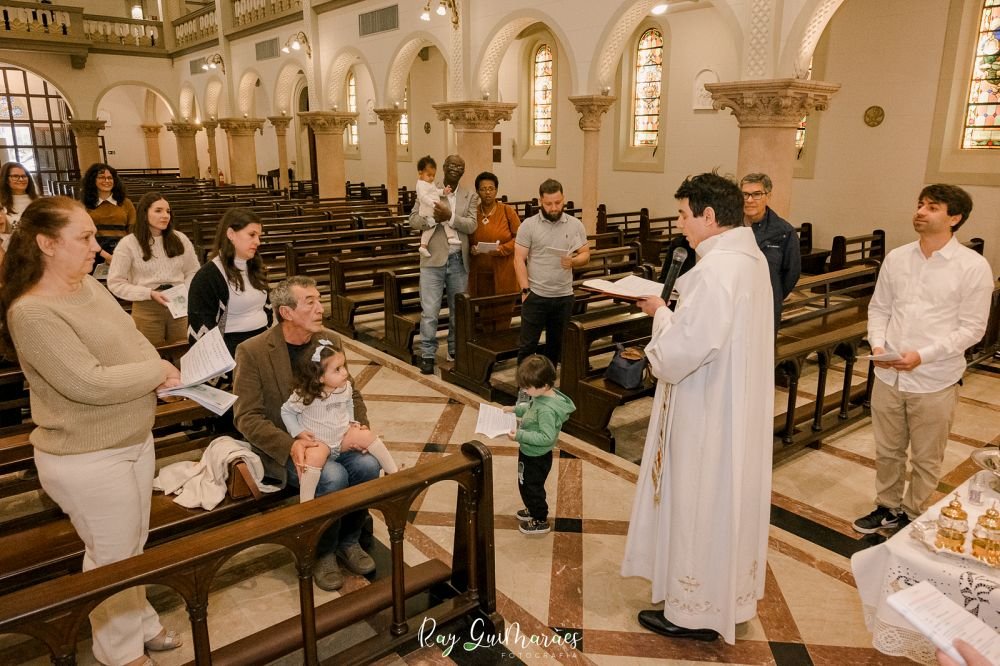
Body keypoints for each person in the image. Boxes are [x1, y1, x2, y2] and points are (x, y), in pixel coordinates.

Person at [0, 197, 183, 666]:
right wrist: (156, 372)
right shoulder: (32, 312)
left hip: (132, 438)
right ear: (46, 244)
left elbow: (132, 337)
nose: (95, 246)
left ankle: (139, 622)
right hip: (86, 454)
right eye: (83, 237)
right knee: (112, 558)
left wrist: (159, 374)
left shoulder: (87, 287)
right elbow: (87, 382)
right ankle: (119, 654)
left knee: (131, 546)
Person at [621, 172, 774, 645]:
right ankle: (725, 598)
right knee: (725, 502)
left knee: (699, 500)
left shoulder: (715, 272)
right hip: (734, 406)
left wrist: (660, 314)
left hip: (707, 411)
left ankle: (692, 611)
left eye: (684, 215)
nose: (680, 225)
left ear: (709, 216)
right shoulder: (750, 261)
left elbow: (681, 353)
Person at [853, 184, 993, 534]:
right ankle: (887, 506)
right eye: (920, 204)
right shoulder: (898, 258)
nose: (920, 211)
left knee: (927, 457)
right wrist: (879, 345)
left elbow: (972, 329)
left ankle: (913, 513)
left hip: (935, 379)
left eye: (932, 207)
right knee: (888, 450)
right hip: (889, 375)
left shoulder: (972, 267)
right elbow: (879, 308)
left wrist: (922, 356)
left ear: (954, 217)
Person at [234, 276, 380, 591]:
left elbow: (351, 392)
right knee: (332, 477)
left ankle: (349, 540)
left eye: (319, 299)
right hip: (289, 446)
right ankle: (321, 551)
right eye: (309, 302)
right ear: (286, 312)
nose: (320, 308)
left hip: (336, 437)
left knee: (368, 465)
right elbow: (246, 416)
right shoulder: (253, 351)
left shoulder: (328, 340)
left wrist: (358, 425)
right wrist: (290, 444)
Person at [282, 337, 398, 503]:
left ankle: (394, 476)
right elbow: (286, 411)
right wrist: (298, 432)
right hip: (319, 442)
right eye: (337, 369)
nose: (345, 372)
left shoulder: (345, 387)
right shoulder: (305, 394)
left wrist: (351, 421)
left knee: (367, 436)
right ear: (320, 377)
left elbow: (349, 402)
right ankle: (306, 502)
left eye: (343, 366)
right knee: (313, 458)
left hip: (342, 437)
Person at [407, 154, 477, 375]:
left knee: (458, 311)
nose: (455, 168)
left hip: (458, 262)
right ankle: (428, 354)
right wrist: (432, 220)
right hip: (432, 261)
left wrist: (450, 217)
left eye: (460, 166)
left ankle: (454, 349)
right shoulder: (428, 188)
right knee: (430, 311)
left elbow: (472, 225)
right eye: (451, 165)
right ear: (444, 167)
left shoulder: (469, 195)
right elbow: (413, 219)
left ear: (463, 171)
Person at [513, 178, 589, 366]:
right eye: (548, 204)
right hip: (536, 295)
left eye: (558, 202)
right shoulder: (529, 225)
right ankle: (523, 383)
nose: (554, 208)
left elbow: (585, 254)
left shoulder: (574, 224)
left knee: (556, 345)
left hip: (564, 296)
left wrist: (573, 261)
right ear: (541, 201)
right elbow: (518, 259)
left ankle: (548, 380)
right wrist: (525, 289)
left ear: (563, 199)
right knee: (527, 346)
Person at [107, 192, 200, 347]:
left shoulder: (180, 239)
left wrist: (184, 290)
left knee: (183, 351)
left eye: (168, 211)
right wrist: (148, 293)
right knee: (151, 354)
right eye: (158, 211)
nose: (165, 216)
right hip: (147, 307)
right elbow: (115, 282)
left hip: (179, 304)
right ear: (144, 214)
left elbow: (193, 271)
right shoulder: (128, 244)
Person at [502, 355, 575, 536]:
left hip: (536, 456)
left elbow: (546, 437)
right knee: (526, 483)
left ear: (544, 386)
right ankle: (532, 507)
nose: (524, 390)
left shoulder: (546, 410)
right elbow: (530, 408)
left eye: (527, 387)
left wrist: (520, 435)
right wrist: (515, 409)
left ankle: (540, 519)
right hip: (530, 452)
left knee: (531, 487)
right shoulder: (542, 396)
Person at [187, 207, 271, 358]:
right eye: (252, 235)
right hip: (232, 348)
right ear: (231, 234)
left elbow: (267, 310)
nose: (258, 242)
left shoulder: (256, 267)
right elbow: (201, 325)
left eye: (259, 236)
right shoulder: (208, 276)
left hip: (263, 339)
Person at [740, 173, 801, 332]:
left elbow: (792, 273)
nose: (749, 200)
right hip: (735, 301)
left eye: (757, 194)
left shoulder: (784, 231)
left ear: (768, 196)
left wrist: (773, 293)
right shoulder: (730, 226)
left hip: (766, 304)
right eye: (745, 194)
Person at [469, 171, 521, 330]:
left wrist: (502, 249)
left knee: (503, 315)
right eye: (483, 189)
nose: (487, 192)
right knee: (485, 314)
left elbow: (520, 239)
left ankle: (502, 342)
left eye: (491, 188)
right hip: (481, 273)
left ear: (496, 190)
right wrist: (471, 248)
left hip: (504, 272)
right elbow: (467, 238)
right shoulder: (473, 213)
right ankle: (487, 343)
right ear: (477, 191)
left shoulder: (507, 211)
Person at [81, 162, 136, 269]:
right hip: (94, 254)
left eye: (110, 178)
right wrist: (105, 255)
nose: (106, 181)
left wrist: (123, 253)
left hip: (123, 253)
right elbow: (84, 235)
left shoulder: (126, 203)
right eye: (101, 177)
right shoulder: (83, 205)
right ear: (92, 180)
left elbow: (133, 231)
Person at [414, 155, 456, 258]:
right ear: (420, 172)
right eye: (429, 175)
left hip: (434, 209)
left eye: (433, 175)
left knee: (444, 221)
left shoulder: (429, 183)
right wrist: (433, 204)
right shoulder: (420, 184)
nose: (432, 178)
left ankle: (450, 237)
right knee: (432, 226)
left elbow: (435, 192)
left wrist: (444, 191)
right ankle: (423, 246)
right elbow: (423, 197)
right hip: (428, 210)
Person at [0, 161, 40, 243]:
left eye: (24, 176)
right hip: (9, 248)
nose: (21, 179)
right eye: (15, 176)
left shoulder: (39, 201)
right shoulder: (1, 204)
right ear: (6, 180)